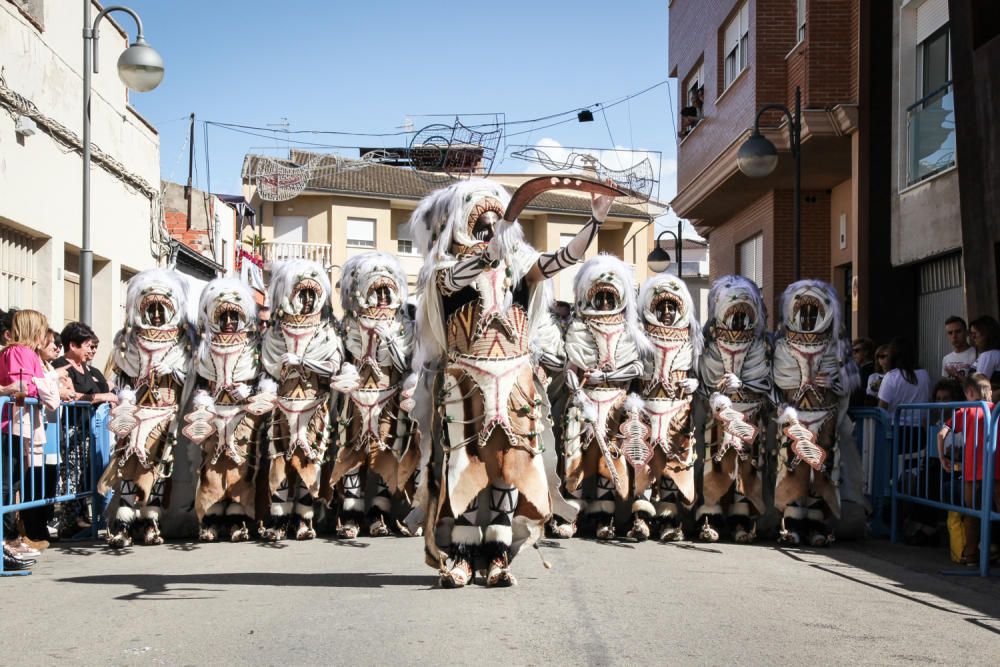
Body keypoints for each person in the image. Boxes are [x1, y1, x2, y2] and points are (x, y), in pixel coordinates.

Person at [408, 177, 617, 588]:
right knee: (462, 466)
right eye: (481, 222)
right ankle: (464, 555)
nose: (489, 225)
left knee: (510, 467)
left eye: (495, 220)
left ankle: (499, 553)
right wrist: (491, 251)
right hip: (464, 382)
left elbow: (562, 259)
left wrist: (595, 221)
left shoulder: (521, 268)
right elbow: (457, 279)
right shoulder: (445, 271)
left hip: (516, 382)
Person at [699, 275, 771, 544]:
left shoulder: (763, 345)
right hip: (717, 418)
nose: (739, 322)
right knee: (715, 464)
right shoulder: (709, 345)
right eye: (734, 314)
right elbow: (705, 381)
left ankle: (742, 520)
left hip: (751, 416)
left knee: (748, 467)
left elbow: (769, 383)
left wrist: (743, 385)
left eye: (744, 315)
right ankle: (711, 516)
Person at [0, 310, 58, 568]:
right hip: (10, 424)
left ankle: (11, 537)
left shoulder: (25, 353)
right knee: (7, 485)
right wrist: (42, 387)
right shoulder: (17, 352)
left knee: (13, 484)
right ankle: (8, 538)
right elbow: (23, 386)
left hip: (19, 424)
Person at [936, 373, 998, 564]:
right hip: (996, 468)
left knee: (971, 513)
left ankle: (970, 555)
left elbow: (941, 433)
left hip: (972, 470)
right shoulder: (996, 410)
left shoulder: (966, 409)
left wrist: (941, 458)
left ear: (969, 392)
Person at [969, 316, 1000, 389]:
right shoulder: (995, 353)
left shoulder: (988, 355)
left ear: (986, 333)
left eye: (975, 333)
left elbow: (979, 386)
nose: (973, 337)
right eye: (971, 334)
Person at [942, 316, 976, 380]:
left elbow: (978, 385)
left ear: (966, 333)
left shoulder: (977, 355)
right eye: (950, 333)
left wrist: (956, 374)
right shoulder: (946, 359)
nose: (954, 336)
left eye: (958, 331)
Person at [850, 337, 875, 407]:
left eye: (857, 350)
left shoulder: (872, 370)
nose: (854, 354)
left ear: (866, 352)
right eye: (852, 351)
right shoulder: (857, 370)